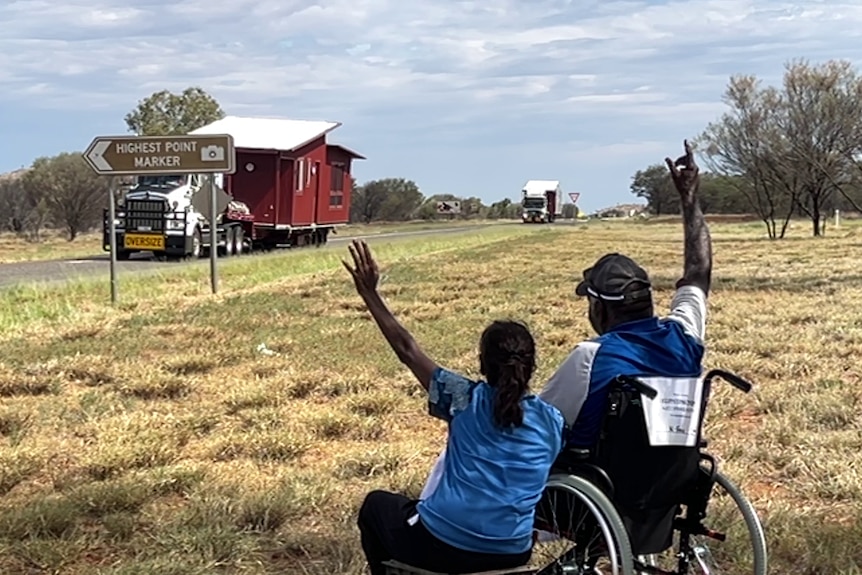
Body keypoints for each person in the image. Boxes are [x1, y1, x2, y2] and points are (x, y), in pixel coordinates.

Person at [420, 139, 711, 507]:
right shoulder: (685, 334)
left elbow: (534, 422)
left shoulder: (591, 357)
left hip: (592, 492)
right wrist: (690, 199)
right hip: (666, 484)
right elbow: (698, 273)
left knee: (458, 453)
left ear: (602, 310)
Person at [342, 239, 565, 575]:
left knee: (376, 506)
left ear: (482, 364)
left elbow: (407, 349)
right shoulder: (552, 421)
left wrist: (370, 294)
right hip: (514, 554)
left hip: (443, 544)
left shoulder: (462, 397)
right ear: (532, 366)